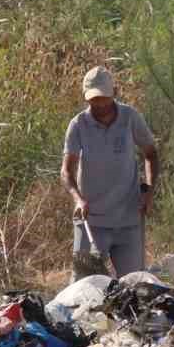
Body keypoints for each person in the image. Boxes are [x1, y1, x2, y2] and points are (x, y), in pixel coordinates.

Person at [61, 66, 161, 277]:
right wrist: (78, 199)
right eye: (93, 99)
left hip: (129, 220)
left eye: (103, 98)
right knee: (83, 285)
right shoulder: (78, 125)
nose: (99, 104)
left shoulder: (130, 118)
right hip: (91, 221)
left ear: (114, 93)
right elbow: (66, 171)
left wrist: (149, 191)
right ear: (86, 97)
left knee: (133, 285)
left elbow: (151, 155)